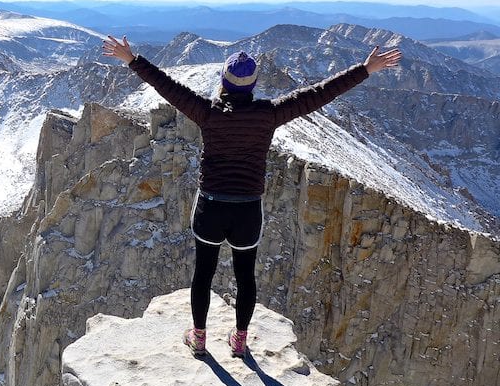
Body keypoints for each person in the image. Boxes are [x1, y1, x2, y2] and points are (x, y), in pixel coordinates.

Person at [101, 36, 402, 358]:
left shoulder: (207, 113)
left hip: (210, 207)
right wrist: (366, 69)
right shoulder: (268, 114)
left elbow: (168, 87)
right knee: (245, 276)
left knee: (203, 273)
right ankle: (240, 340)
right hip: (247, 210)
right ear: (253, 85)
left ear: (223, 83)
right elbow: (319, 94)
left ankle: (199, 337)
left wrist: (133, 60)